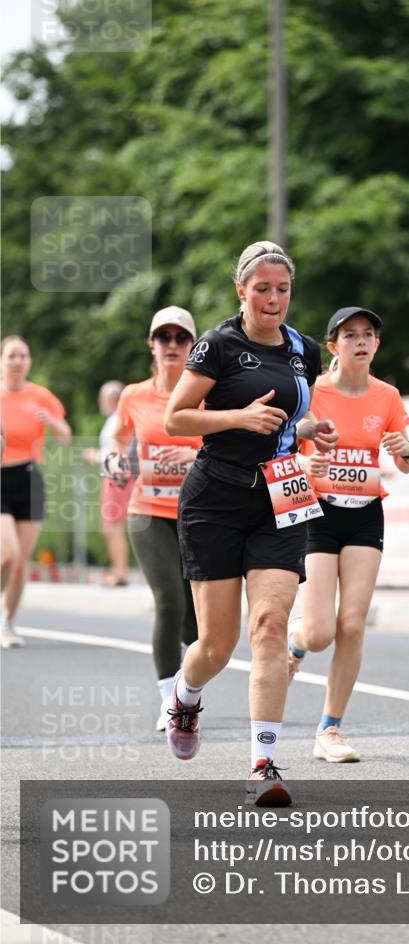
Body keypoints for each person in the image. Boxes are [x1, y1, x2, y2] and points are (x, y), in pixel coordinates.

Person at [164, 240, 337, 806]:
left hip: (280, 497)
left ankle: (263, 764)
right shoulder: (217, 345)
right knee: (217, 643)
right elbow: (176, 418)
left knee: (269, 627)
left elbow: (297, 413)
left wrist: (311, 430)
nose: (273, 299)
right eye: (261, 289)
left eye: (282, 289)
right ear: (242, 291)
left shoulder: (301, 350)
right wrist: (239, 416)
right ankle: (187, 698)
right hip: (215, 498)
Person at [287, 307, 409, 762]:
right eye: (349, 335)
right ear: (332, 346)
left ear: (377, 345)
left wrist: (407, 450)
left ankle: (330, 730)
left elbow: (405, 460)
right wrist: (304, 463)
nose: (360, 341)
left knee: (353, 624)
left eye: (368, 335)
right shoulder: (311, 392)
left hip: (365, 514)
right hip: (317, 512)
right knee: (321, 631)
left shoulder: (387, 396)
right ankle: (296, 643)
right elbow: (283, 447)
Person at [107, 307, 201, 730]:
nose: (172, 345)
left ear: (192, 347)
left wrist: (195, 454)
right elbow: (117, 437)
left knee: (196, 620)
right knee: (169, 600)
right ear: (152, 344)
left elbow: (231, 445)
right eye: (164, 337)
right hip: (147, 511)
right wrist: (113, 459)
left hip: (198, 514)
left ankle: (191, 689)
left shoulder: (206, 394)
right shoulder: (134, 395)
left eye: (181, 338)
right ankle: (170, 699)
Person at [0, 336, 71, 648]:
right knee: (7, 554)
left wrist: (53, 423)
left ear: (29, 362)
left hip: (29, 477)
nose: (17, 361)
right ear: (2, 360)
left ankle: (7, 623)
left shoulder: (40, 396)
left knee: (20, 561)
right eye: (12, 355)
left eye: (23, 356)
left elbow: (66, 437)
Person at [84, 380, 132, 586]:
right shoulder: (116, 419)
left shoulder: (117, 421)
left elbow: (120, 455)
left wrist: (95, 456)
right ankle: (119, 570)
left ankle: (120, 573)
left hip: (117, 478)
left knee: (113, 526)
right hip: (114, 477)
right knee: (112, 527)